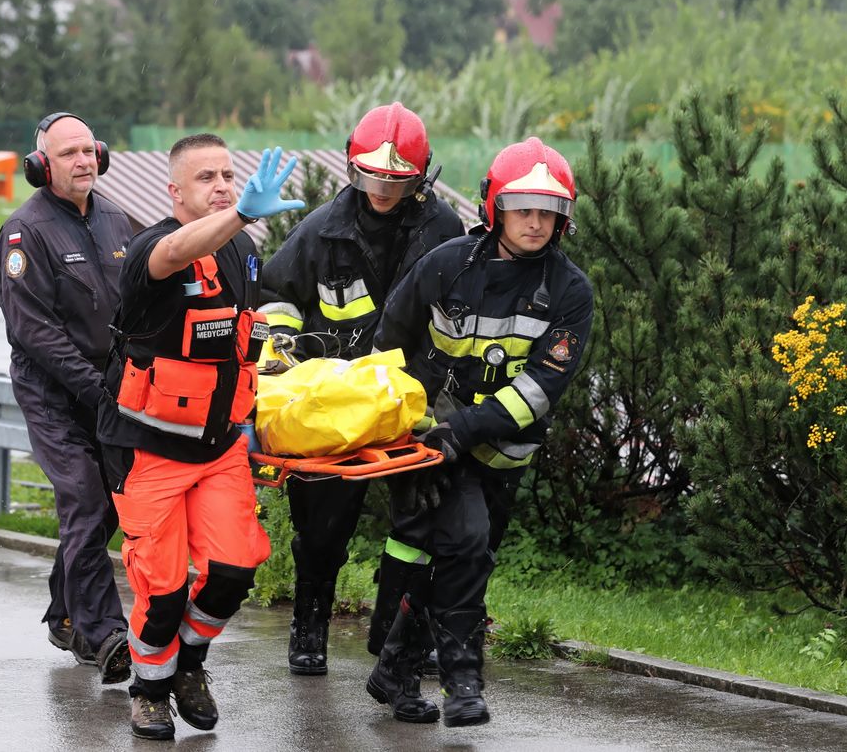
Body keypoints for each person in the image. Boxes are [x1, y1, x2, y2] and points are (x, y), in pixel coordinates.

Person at [366, 137, 593, 728]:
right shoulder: (446, 264)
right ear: (495, 207)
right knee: (464, 545)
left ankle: (396, 666)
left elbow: (543, 388)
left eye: (548, 212)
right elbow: (392, 342)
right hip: (427, 441)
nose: (536, 223)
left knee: (469, 558)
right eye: (524, 209)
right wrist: (410, 426)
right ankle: (463, 681)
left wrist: (461, 430)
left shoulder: (570, 292)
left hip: (497, 451)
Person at [97, 134, 305, 740]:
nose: (220, 186)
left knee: (235, 570)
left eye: (228, 176)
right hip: (147, 451)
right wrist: (238, 213)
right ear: (175, 192)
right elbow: (176, 251)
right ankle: (149, 690)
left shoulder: (241, 251)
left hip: (218, 450)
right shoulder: (149, 250)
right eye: (205, 178)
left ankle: (189, 665)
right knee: (161, 591)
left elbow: (245, 337)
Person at [258, 102, 463, 676]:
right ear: (353, 167)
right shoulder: (323, 229)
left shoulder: (443, 232)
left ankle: (393, 646)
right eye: (369, 176)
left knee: (420, 524)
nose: (379, 189)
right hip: (338, 409)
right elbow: (275, 295)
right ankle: (308, 629)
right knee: (320, 527)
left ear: (419, 179)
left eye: (394, 180)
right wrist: (285, 361)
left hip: (411, 403)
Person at [0, 112, 131, 683]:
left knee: (113, 508)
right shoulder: (23, 233)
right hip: (53, 393)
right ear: (41, 166)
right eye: (69, 153)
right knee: (86, 501)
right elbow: (35, 330)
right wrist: (96, 388)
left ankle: (65, 613)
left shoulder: (120, 222)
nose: (83, 161)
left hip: (109, 391)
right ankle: (105, 635)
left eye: (88, 151)